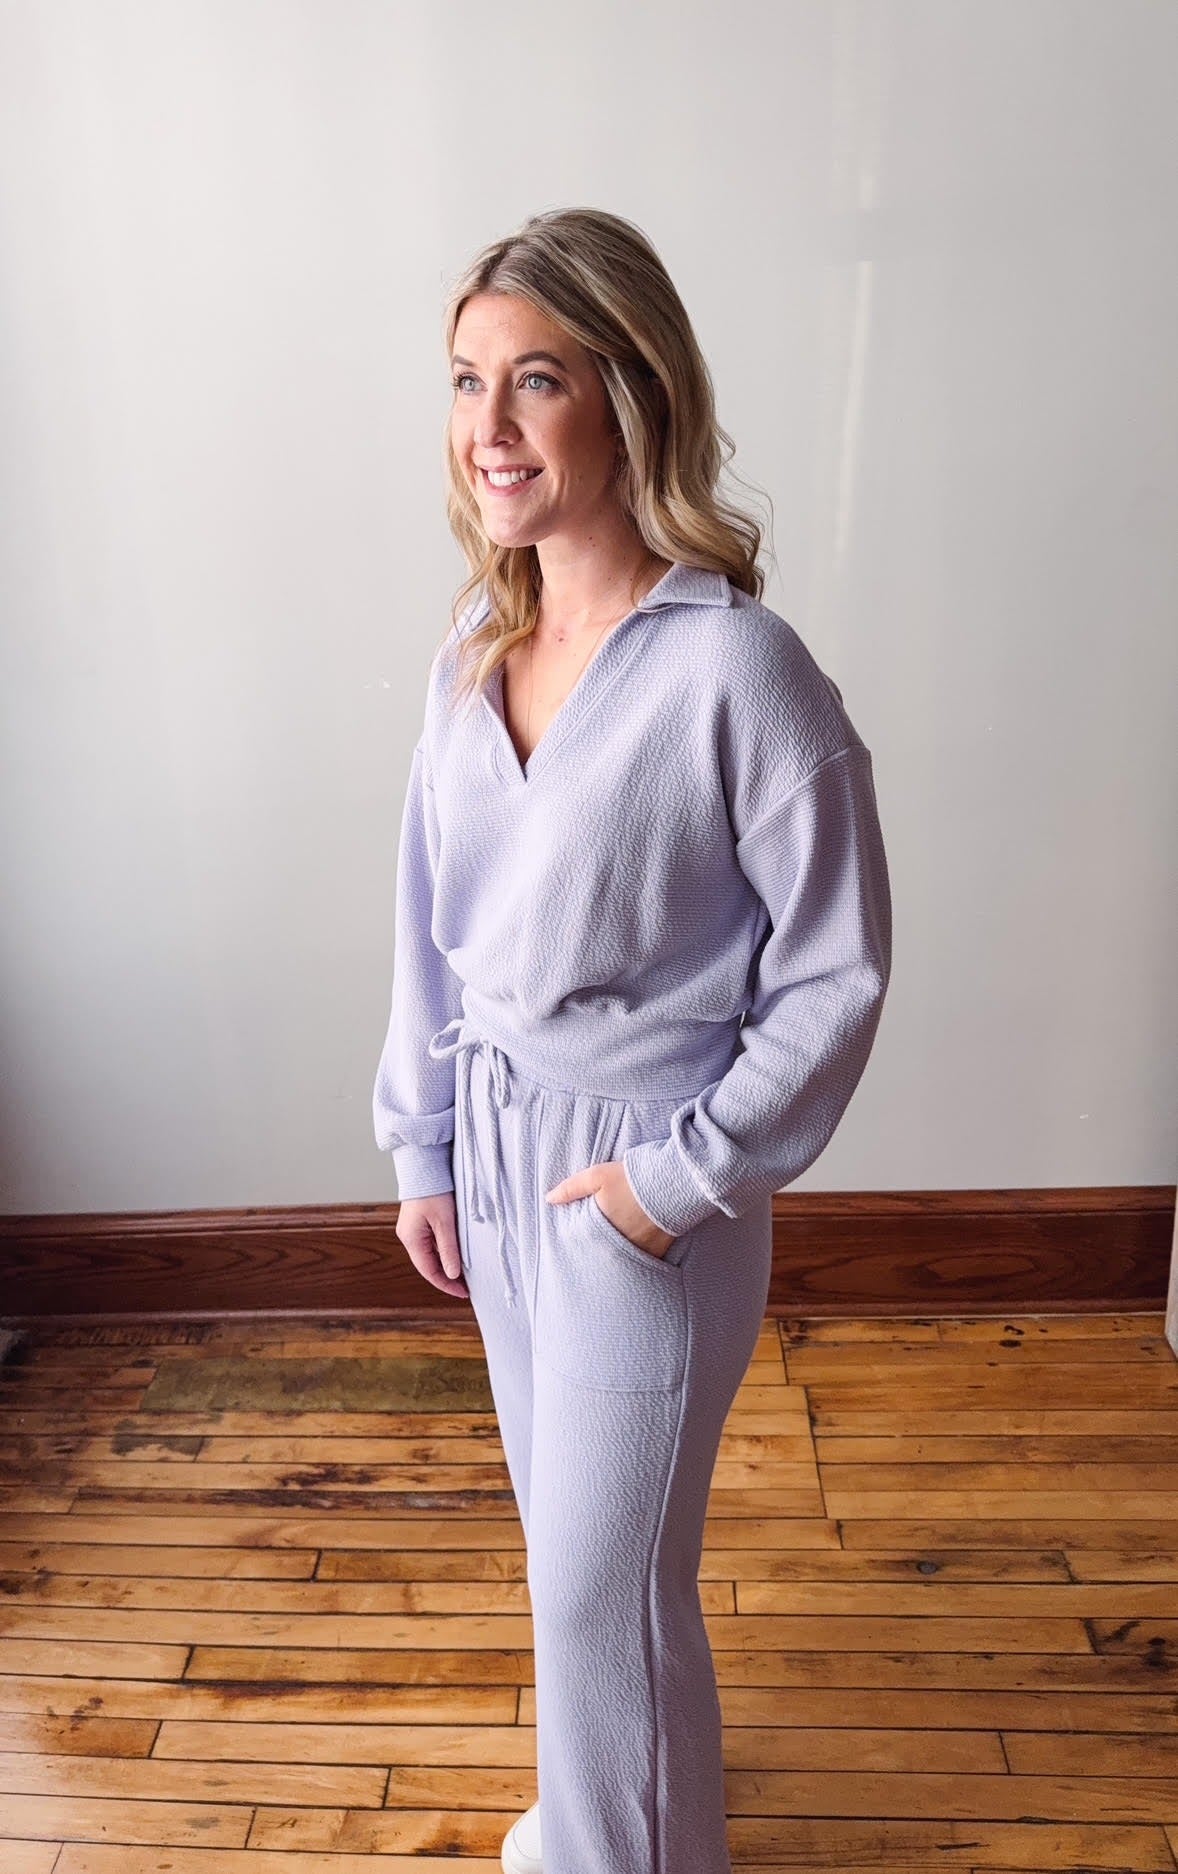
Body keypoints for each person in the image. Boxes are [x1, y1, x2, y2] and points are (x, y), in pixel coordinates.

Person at [371, 207, 892, 1874]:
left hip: (641, 1175)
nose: (490, 425)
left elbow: (834, 975)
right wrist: (424, 1139)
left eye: (537, 380)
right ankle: (614, 1826)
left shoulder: (740, 671)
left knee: (602, 1580)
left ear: (631, 393)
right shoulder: (473, 654)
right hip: (498, 1144)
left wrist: (675, 1183)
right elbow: (429, 923)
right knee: (575, 1562)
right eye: (467, 381)